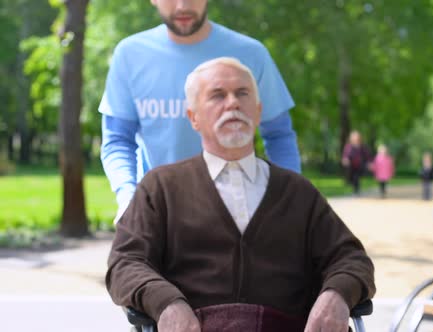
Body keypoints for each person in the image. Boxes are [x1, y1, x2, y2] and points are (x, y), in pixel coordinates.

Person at [106, 58, 375, 332]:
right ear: (193, 116)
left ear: (258, 112)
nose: (232, 103)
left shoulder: (298, 192)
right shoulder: (160, 187)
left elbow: (351, 259)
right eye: (217, 95)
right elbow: (125, 262)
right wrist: (165, 302)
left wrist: (337, 295)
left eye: (242, 93)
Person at [99, 0, 301, 223]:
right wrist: (127, 196)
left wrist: (288, 198)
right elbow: (118, 140)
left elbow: (279, 135)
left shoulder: (251, 54)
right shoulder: (130, 55)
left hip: (241, 216)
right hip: (160, 216)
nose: (182, 5)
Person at [341, 130, 371, 195]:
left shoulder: (362, 146)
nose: (356, 138)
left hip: (360, 165)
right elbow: (345, 155)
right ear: (351, 138)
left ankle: (356, 190)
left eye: (357, 137)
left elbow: (367, 155)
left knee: (356, 177)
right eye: (354, 137)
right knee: (352, 176)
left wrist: (369, 163)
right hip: (351, 166)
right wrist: (345, 159)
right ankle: (353, 186)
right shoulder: (348, 146)